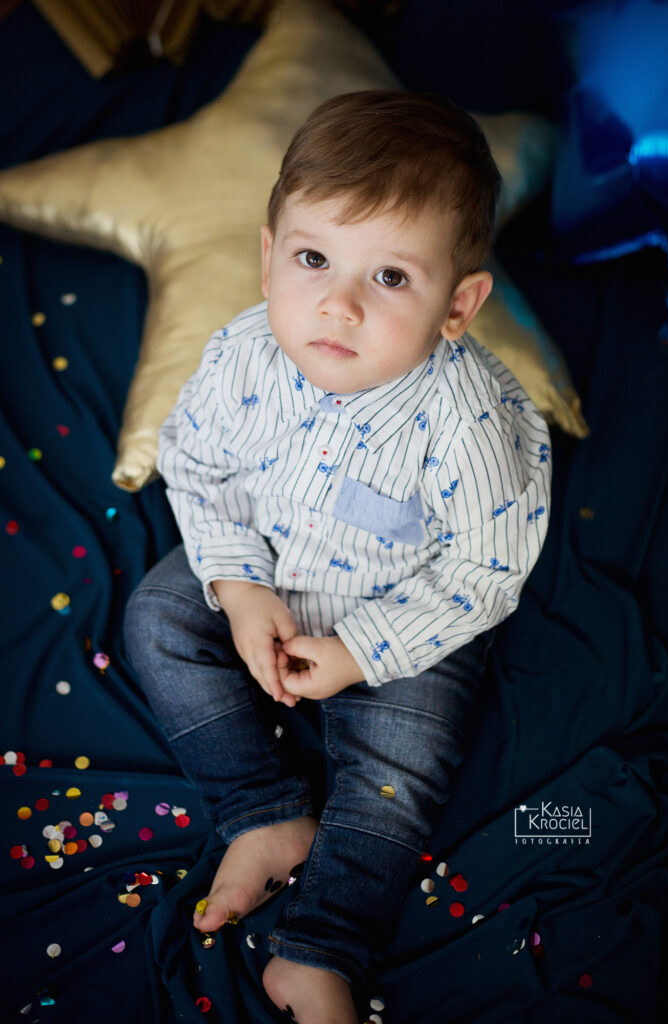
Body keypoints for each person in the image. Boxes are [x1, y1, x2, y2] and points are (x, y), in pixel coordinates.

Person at [124, 89, 552, 1023]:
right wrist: (238, 585)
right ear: (268, 255)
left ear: (458, 305)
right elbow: (196, 464)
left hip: (403, 610)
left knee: (404, 764)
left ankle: (321, 947)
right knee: (156, 619)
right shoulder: (244, 356)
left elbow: (484, 572)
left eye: (391, 277)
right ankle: (266, 810)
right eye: (313, 258)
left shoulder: (468, 425)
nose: (340, 303)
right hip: (269, 561)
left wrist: (364, 652)